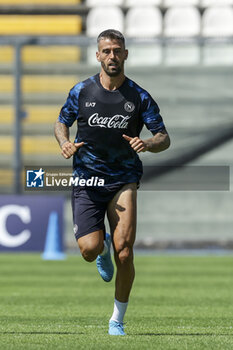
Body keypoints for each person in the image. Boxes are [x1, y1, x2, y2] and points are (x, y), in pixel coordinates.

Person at [54, 29, 170, 336]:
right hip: (87, 179)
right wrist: (64, 142)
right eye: (106, 51)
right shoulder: (82, 91)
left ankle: (117, 319)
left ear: (126, 54)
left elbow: (163, 137)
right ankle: (100, 247)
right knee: (89, 250)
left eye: (117, 50)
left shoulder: (138, 96)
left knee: (126, 252)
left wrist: (148, 143)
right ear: (98, 55)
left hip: (123, 179)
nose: (112, 56)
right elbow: (61, 122)